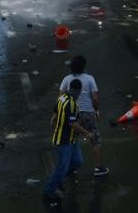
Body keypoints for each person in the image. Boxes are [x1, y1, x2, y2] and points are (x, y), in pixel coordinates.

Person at [44, 79, 95, 207]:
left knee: (78, 161)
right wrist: (87, 133)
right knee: (63, 167)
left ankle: (57, 179)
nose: (79, 94)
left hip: (71, 140)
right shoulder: (71, 104)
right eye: (78, 92)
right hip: (63, 142)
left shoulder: (61, 98)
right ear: (75, 90)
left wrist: (54, 118)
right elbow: (73, 123)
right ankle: (50, 190)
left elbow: (55, 111)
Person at [59, 56, 109, 177]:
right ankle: (98, 168)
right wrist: (96, 111)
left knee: (71, 140)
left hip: (72, 113)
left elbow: (60, 97)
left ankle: (71, 166)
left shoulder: (67, 79)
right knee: (95, 140)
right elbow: (95, 99)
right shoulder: (90, 79)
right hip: (88, 113)